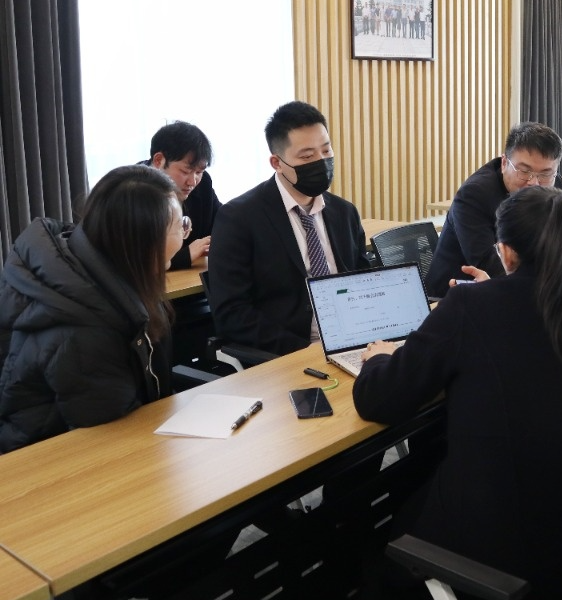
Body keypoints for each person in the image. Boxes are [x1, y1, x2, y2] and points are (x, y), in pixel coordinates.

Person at [354, 187, 562, 599]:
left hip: (501, 541)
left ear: (505, 252)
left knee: (384, 535)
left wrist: (379, 357)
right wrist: (493, 293)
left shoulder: (470, 306)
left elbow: (379, 399)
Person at [0, 165, 185, 453]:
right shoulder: (84, 330)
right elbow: (110, 438)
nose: (185, 233)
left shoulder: (100, 269)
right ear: (142, 240)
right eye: (179, 226)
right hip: (50, 461)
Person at [208, 101, 370, 356]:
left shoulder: (344, 212)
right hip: (290, 351)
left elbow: (364, 280)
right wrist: (304, 350)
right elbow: (233, 314)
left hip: (355, 341)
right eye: (307, 156)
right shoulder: (239, 218)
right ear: (277, 162)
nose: (321, 162)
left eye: (326, 150)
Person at [425, 121, 562, 298]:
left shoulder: (554, 188)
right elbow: (488, 264)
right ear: (504, 163)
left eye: (545, 174)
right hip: (453, 295)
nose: (534, 182)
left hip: (521, 289)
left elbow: (561, 248)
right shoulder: (474, 196)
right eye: (524, 171)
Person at [141, 121, 221, 270]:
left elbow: (222, 222)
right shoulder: (133, 192)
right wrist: (185, 256)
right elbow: (135, 259)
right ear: (159, 160)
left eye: (199, 172)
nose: (192, 181)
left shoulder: (202, 184)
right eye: (185, 171)